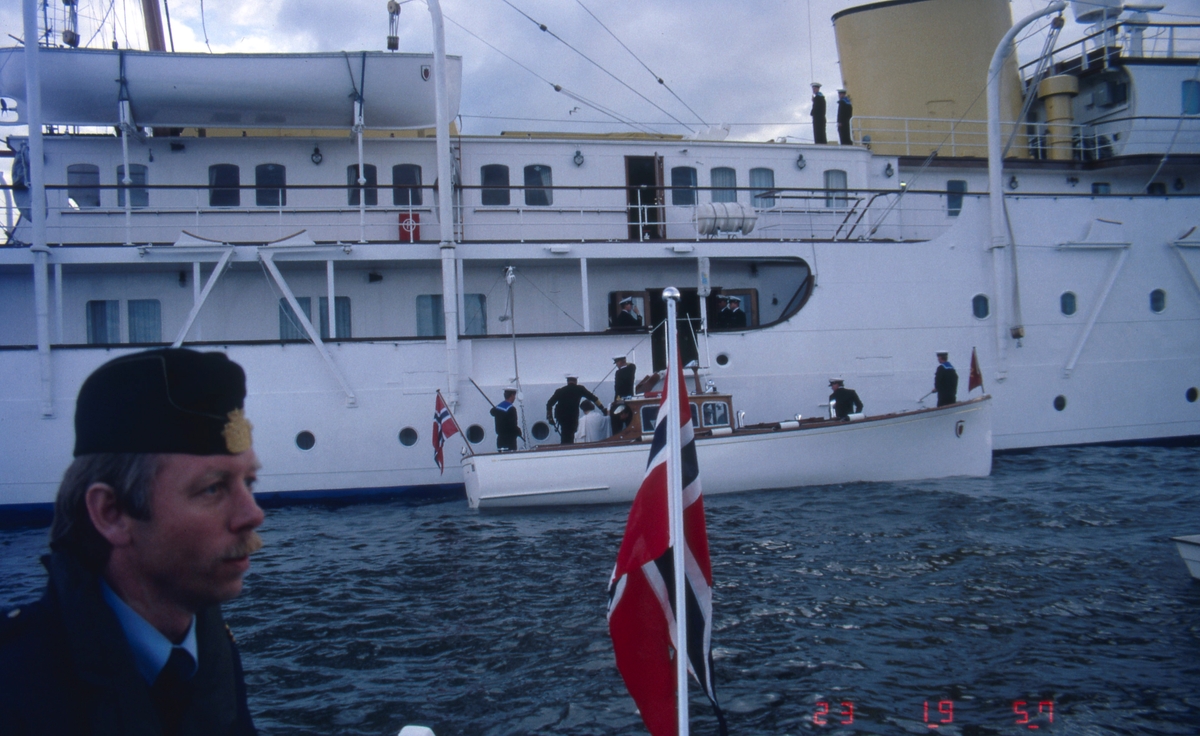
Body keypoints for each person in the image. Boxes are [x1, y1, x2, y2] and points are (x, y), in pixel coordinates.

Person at [0, 347, 262, 736]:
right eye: (212, 488)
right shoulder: (14, 685)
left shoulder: (207, 650)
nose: (253, 514)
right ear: (111, 513)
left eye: (249, 483)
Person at [546, 375, 605, 444]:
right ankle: (570, 448)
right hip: (573, 416)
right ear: (576, 381)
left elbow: (549, 404)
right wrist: (602, 408)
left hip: (562, 417)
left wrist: (550, 418)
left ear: (567, 381)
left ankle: (564, 447)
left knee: (565, 434)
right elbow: (594, 399)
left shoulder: (560, 391)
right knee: (571, 434)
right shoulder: (580, 389)